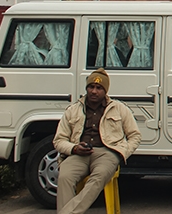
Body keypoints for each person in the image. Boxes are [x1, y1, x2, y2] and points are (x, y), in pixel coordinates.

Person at [54, 68, 141, 214]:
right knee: (65, 176)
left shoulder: (119, 108)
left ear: (105, 91)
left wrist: (122, 153)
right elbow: (59, 140)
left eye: (99, 88)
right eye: (91, 87)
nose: (94, 91)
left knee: (99, 176)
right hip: (79, 153)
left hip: (107, 153)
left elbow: (135, 135)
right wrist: (74, 148)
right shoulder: (73, 110)